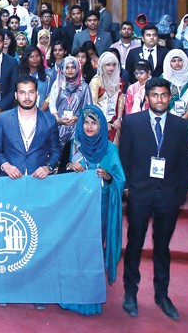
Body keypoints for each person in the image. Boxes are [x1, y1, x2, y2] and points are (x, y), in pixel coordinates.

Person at [119, 78, 188, 320]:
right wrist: (128, 189)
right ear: (146, 98)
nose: (159, 99)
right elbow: (124, 158)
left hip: (168, 198)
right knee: (134, 245)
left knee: (162, 248)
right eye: (155, 95)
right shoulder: (132, 122)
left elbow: (183, 164)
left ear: (170, 98)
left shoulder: (182, 127)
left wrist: (179, 195)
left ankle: (162, 295)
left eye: (164, 95)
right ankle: (130, 292)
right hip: (139, 195)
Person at [60, 105, 125, 316]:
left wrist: (107, 176)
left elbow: (120, 180)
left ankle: (89, 297)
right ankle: (69, 296)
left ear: (101, 126)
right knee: (72, 250)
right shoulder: (72, 146)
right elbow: (58, 176)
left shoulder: (110, 149)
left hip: (99, 210)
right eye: (86, 122)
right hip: (74, 210)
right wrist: (70, 167)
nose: (89, 127)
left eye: (94, 122)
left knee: (92, 251)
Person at [0, 75, 60, 179]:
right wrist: (5, 165)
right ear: (16, 95)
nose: (27, 97)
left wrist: (48, 167)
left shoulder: (49, 120)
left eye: (31, 92)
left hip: (39, 180)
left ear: (37, 94)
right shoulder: (3, 118)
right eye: (22, 92)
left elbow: (56, 151)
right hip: (10, 179)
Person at [46, 56, 92, 147]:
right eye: (67, 67)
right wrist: (58, 120)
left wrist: (77, 118)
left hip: (77, 128)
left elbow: (89, 108)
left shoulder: (84, 87)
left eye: (73, 67)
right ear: (63, 69)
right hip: (59, 127)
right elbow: (52, 105)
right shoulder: (58, 83)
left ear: (78, 69)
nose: (70, 70)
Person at [88, 51, 124, 142]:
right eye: (108, 65)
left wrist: (119, 118)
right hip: (98, 123)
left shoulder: (118, 81)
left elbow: (120, 101)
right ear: (102, 65)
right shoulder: (96, 81)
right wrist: (103, 123)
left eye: (114, 65)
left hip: (115, 123)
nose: (111, 68)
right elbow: (92, 105)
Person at [163, 49, 188, 124]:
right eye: (173, 61)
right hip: (167, 120)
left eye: (180, 60)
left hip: (186, 119)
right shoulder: (163, 79)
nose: (177, 63)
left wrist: (184, 118)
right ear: (169, 62)